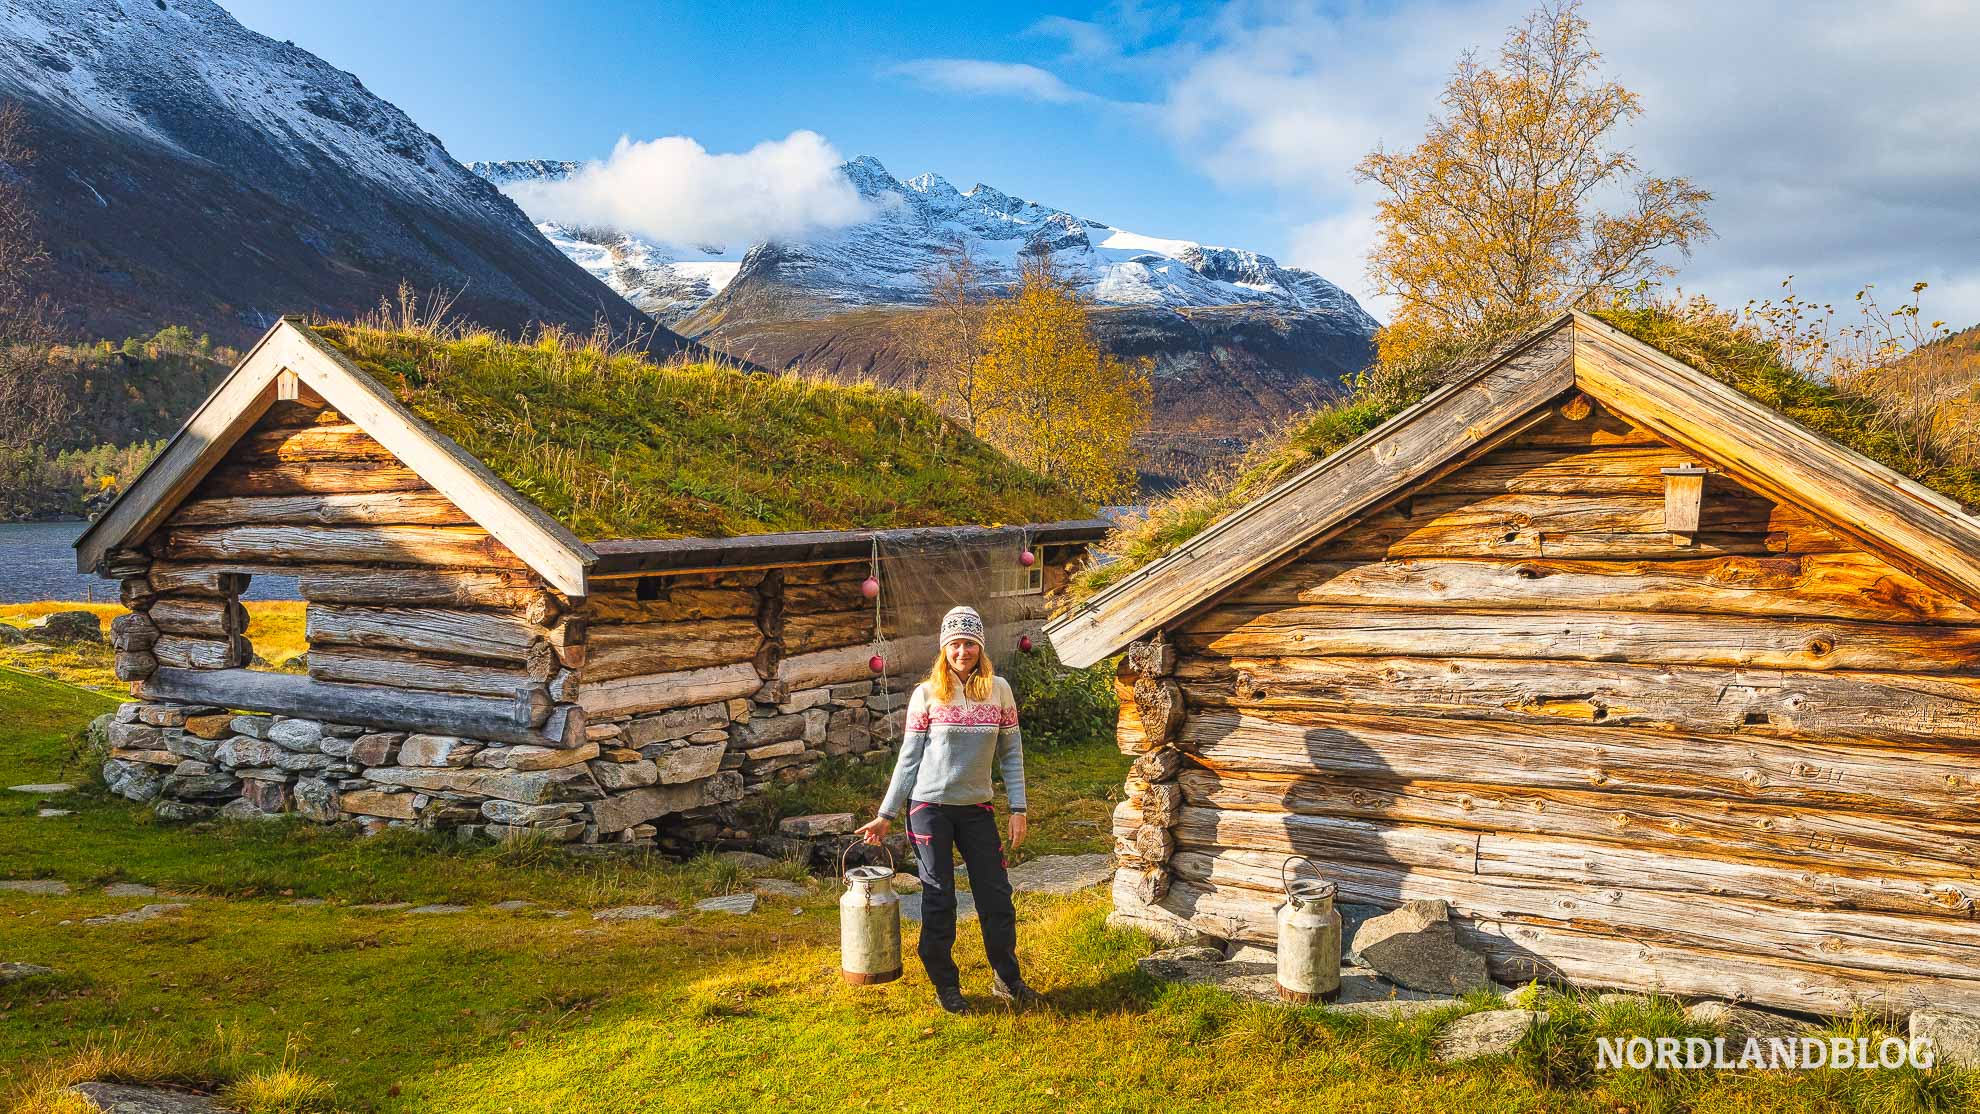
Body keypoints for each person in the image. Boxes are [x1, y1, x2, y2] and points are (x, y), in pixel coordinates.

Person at [855, 604, 1040, 1014]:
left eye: (970, 643)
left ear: (980, 647)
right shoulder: (926, 694)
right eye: (955, 644)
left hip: (977, 809)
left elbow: (1011, 753)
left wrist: (1019, 808)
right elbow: (908, 759)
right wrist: (886, 815)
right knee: (940, 899)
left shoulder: (999, 691)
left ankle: (1008, 980)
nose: (962, 651)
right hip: (929, 810)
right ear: (944, 648)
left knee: (996, 897)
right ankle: (946, 985)